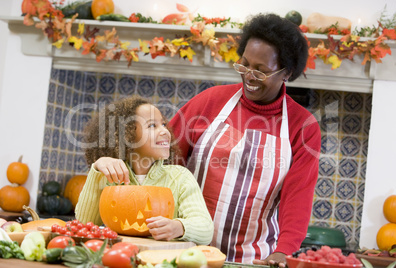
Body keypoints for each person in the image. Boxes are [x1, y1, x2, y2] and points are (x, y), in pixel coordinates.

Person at [169, 13, 321, 266]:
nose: (249, 76)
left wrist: (283, 251)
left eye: (261, 72)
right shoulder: (210, 101)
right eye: (245, 65)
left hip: (253, 259)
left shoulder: (302, 126)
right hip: (186, 250)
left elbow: (298, 196)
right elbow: (163, 158)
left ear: (287, 72)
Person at [75, 96, 214, 245]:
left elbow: (206, 230)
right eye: (152, 126)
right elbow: (84, 224)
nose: (165, 131)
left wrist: (180, 227)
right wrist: (97, 169)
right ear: (126, 136)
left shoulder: (180, 177)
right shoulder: (108, 176)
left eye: (163, 124)